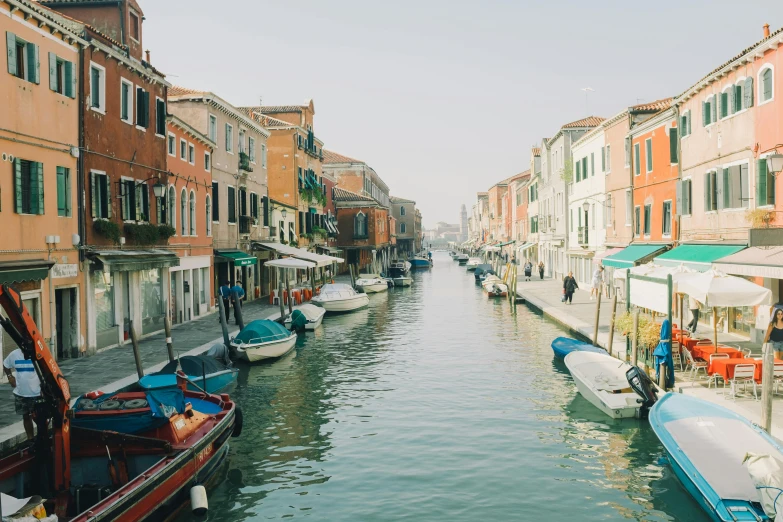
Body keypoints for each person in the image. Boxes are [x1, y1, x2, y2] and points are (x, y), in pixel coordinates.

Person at [3, 348, 41, 440]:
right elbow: (6, 364)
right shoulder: (14, 354)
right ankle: (30, 439)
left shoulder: (37, 353)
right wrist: (10, 376)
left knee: (40, 418)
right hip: (21, 393)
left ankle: (42, 438)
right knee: (26, 417)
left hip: (37, 393)